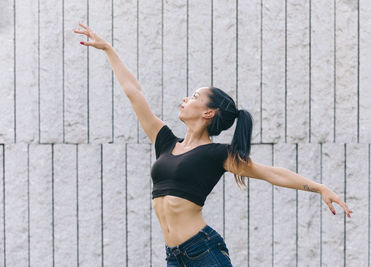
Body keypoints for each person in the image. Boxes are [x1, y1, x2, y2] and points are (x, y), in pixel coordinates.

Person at [73, 22, 353, 267]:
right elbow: (134, 94)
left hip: (203, 250)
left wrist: (319, 188)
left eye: (194, 96)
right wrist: (109, 50)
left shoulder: (217, 154)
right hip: (174, 256)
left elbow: (272, 173)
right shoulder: (165, 142)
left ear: (209, 112)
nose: (186, 99)